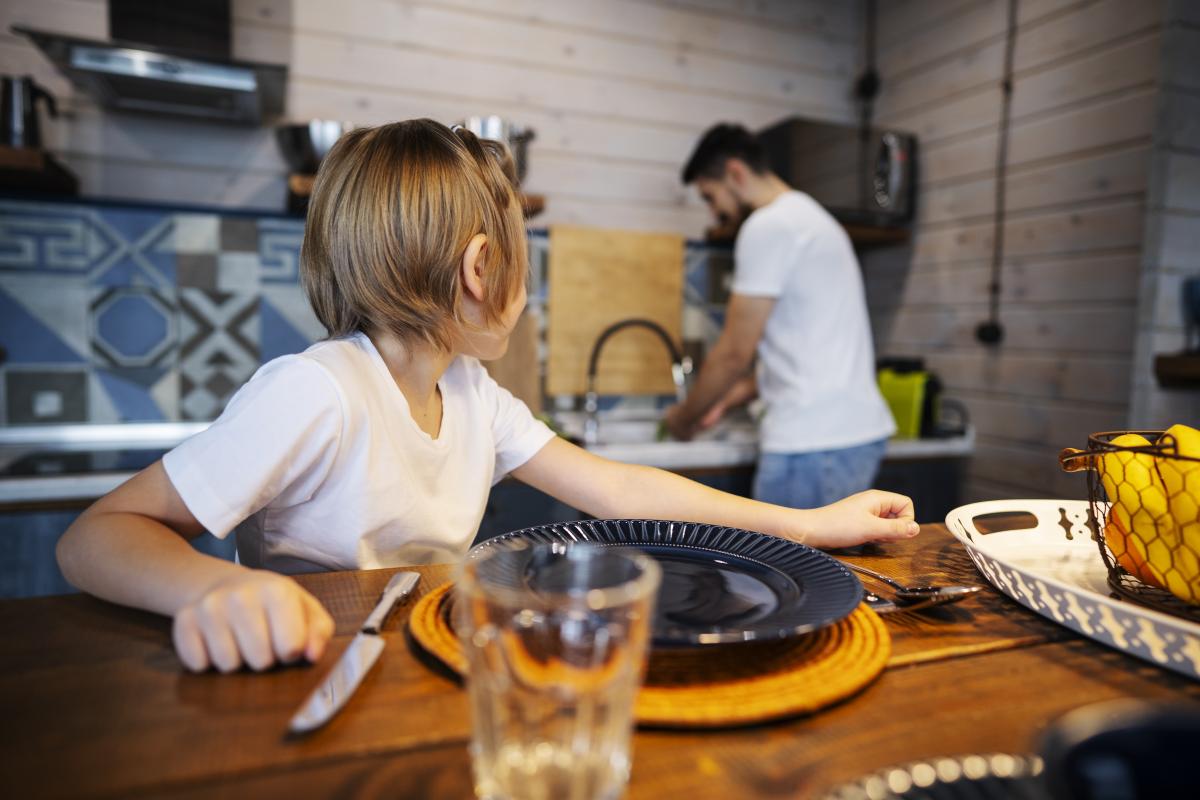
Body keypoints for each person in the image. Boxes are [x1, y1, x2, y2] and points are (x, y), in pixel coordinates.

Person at [56, 119, 918, 675]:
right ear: (480, 269)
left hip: (428, 665)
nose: (526, 284)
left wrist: (808, 526)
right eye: (521, 257)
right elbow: (96, 535)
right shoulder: (317, 391)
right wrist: (207, 591)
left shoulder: (471, 392)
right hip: (307, 676)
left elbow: (619, 490)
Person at [665, 123, 897, 511]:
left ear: (735, 173)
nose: (714, 211)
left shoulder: (768, 226)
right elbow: (802, 352)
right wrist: (728, 398)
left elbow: (734, 352)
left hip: (812, 445)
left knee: (790, 571)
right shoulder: (811, 218)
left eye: (710, 196)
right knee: (829, 569)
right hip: (845, 437)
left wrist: (685, 417)